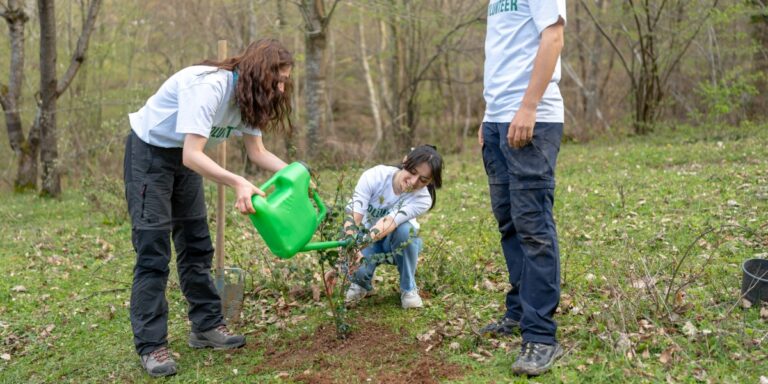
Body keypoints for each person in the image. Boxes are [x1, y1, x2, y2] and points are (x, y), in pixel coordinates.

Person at [123, 38, 294, 377]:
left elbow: (257, 152)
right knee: (154, 252)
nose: (282, 86)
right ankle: (152, 345)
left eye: (286, 80)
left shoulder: (249, 98)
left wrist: (296, 173)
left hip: (185, 160)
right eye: (279, 78)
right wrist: (238, 182)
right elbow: (192, 154)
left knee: (197, 244)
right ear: (260, 72)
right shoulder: (210, 86)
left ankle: (206, 326)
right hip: (150, 153)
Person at [478, 0, 567, 377]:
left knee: (533, 228)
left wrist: (529, 106)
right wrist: (486, 117)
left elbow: (553, 37)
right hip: (499, 120)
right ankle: (519, 312)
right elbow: (503, 53)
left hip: (532, 119)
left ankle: (541, 337)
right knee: (509, 223)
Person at [343, 145, 443, 309]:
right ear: (405, 162)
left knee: (406, 230)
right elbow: (354, 215)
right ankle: (361, 284)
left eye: (423, 180)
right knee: (354, 266)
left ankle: (409, 289)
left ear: (430, 181)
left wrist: (359, 245)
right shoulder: (376, 176)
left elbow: (389, 222)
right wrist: (351, 245)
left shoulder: (423, 199)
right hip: (367, 238)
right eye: (412, 172)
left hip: (395, 243)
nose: (414, 182)